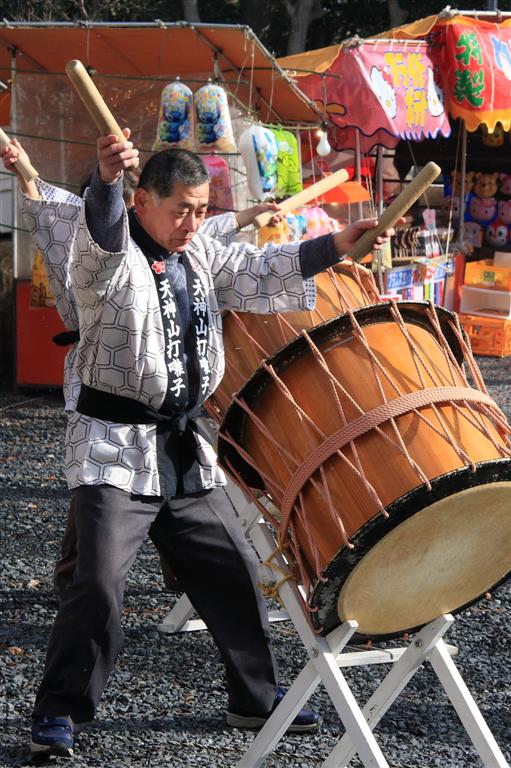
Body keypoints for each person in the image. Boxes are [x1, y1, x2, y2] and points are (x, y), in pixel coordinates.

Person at [25, 128, 393, 758]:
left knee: (233, 571)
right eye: (180, 210)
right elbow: (101, 232)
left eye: (201, 210)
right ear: (143, 202)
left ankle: (254, 698)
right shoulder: (104, 255)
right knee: (98, 586)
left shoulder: (200, 254)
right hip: (115, 447)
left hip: (183, 446)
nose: (194, 223)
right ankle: (60, 712)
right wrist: (108, 181)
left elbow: (260, 268)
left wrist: (338, 244)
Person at [2, 138, 282, 596]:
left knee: (167, 485)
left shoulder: (162, 229)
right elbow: (43, 201)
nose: (190, 222)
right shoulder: (86, 225)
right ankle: (78, 583)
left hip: (156, 381)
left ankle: (176, 572)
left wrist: (252, 215)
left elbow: (203, 228)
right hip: (104, 379)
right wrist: (27, 168)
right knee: (101, 491)